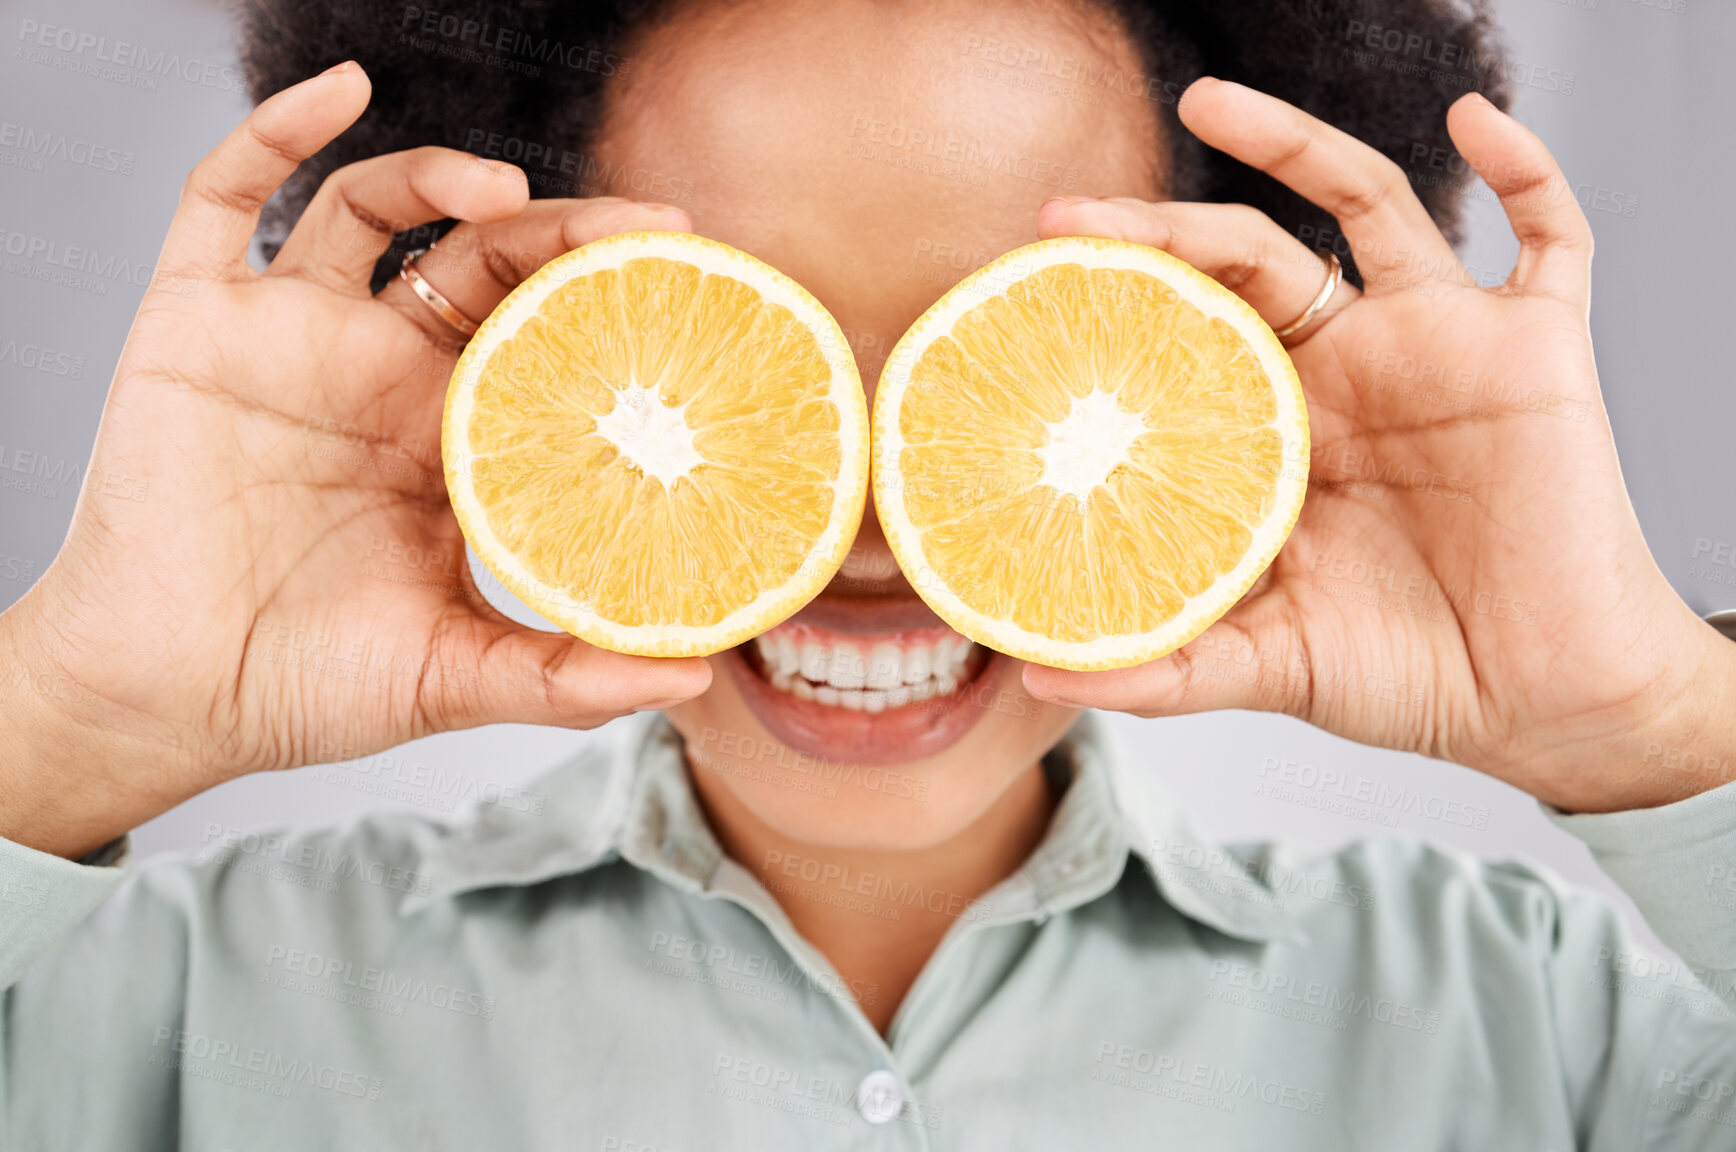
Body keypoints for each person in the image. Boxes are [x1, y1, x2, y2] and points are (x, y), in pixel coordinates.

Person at [3, 0, 1734, 1145]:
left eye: (993, 360)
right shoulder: (169, 1016)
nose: (870, 545)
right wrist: (66, 720)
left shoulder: (1550, 1031)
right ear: (524, 360)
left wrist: (1654, 723)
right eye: (759, 363)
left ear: (1224, 376)